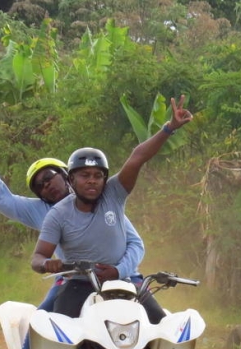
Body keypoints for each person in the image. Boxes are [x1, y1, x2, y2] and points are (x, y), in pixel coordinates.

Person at [0, 126, 145, 349]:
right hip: (74, 278)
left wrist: (118, 270)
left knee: (158, 326)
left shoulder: (105, 201)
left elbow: (136, 243)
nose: (46, 186)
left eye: (49, 177)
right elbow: (1, 198)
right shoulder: (44, 212)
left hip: (123, 278)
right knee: (41, 323)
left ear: (67, 174)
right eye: (39, 185)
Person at [32, 95, 193, 321]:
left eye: (98, 176)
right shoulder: (58, 214)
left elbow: (137, 157)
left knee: (161, 327)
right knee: (58, 332)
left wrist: (169, 128)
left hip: (123, 283)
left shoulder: (114, 194)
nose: (92, 181)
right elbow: (38, 257)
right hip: (78, 286)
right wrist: (48, 264)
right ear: (70, 180)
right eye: (85, 175)